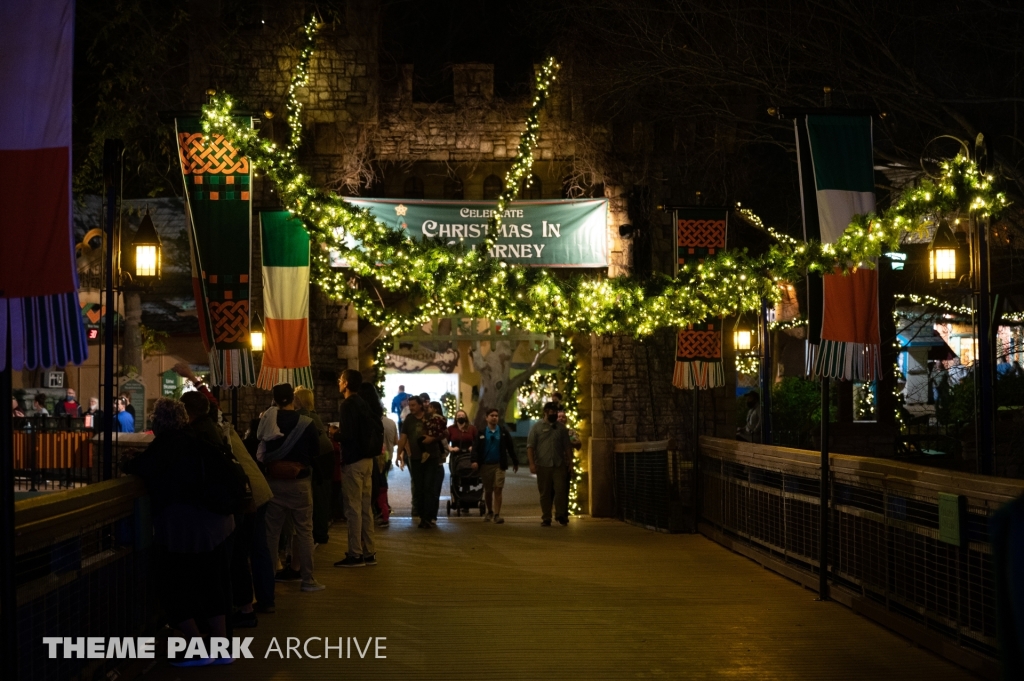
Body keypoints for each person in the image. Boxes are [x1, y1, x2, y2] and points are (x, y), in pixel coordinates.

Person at [122, 398, 236, 667]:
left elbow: (142, 467)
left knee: (171, 584)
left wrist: (129, 461)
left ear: (158, 421)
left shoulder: (166, 444)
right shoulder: (195, 438)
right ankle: (221, 648)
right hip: (215, 523)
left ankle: (196, 648)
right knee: (210, 584)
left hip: (185, 528)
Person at [258, 383, 326, 592]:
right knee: (305, 531)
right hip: (300, 483)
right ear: (293, 399)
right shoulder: (306, 422)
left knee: (272, 533)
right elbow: (316, 450)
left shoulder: (267, 420)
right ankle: (308, 580)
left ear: (275, 400)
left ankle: (268, 580)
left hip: (274, 482)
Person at [333, 370, 383, 568]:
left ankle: (355, 554)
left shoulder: (347, 404)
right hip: (367, 460)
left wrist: (335, 434)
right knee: (365, 508)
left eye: (340, 380)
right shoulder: (364, 403)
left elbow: (349, 435)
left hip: (353, 461)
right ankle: (369, 552)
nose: (338, 382)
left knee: (352, 508)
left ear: (345, 383)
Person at [294, 386, 335, 546]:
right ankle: (321, 532)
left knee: (318, 497)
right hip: (325, 457)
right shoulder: (313, 415)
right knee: (322, 496)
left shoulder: (303, 415)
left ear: (299, 400)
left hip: (320, 459)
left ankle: (319, 534)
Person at [527, 401, 574, 526]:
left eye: (555, 412)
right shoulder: (537, 427)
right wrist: (532, 464)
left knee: (561, 490)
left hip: (559, 465)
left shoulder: (561, 428)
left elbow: (567, 447)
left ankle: (560, 514)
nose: (554, 414)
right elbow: (530, 446)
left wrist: (570, 462)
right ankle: (546, 517)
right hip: (543, 465)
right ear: (545, 412)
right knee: (545, 493)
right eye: (551, 412)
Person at [471, 408, 518, 524]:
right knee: (488, 490)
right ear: (486, 418)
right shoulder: (481, 433)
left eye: (496, 415)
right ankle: (490, 511)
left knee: (498, 489)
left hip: (499, 465)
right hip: (486, 465)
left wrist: (515, 461)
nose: (494, 417)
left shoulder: (503, 432)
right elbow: (475, 449)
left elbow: (510, 447)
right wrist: (474, 461)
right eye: (492, 415)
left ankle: (497, 514)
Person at [360, 383, 396, 528]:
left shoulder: (363, 416)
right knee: (381, 484)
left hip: (368, 457)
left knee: (374, 486)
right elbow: (395, 440)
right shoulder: (387, 421)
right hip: (383, 456)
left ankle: (380, 511)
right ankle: (383, 510)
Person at [396, 395, 431, 524]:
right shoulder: (409, 420)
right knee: (418, 486)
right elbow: (403, 437)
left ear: (420, 405)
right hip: (415, 457)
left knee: (428, 486)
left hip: (430, 457)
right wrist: (399, 454)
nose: (410, 408)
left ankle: (428, 516)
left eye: (413, 405)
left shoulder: (429, 417)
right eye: (409, 405)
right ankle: (422, 515)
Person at [421, 401, 449, 527]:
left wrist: (440, 459)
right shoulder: (434, 428)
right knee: (430, 491)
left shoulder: (439, 432)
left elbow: (445, 448)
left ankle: (432, 515)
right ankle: (428, 516)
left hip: (437, 465)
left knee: (434, 491)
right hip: (432, 464)